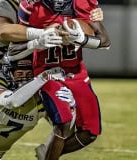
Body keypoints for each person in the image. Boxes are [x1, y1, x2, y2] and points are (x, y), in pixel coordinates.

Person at [9, 0, 111, 159]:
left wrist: (82, 39)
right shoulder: (30, 6)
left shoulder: (83, 3)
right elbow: (13, 48)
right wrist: (38, 41)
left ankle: (47, 153)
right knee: (63, 123)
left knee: (90, 133)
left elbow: (105, 41)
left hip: (76, 74)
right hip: (47, 73)